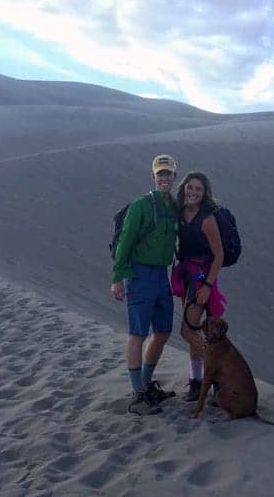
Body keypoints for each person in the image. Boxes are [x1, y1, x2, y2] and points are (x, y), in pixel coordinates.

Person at [111, 154, 179, 415]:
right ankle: (137, 395)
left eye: (168, 173)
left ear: (174, 177)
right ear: (153, 177)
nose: (164, 178)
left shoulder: (173, 207)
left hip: (162, 274)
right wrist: (118, 277)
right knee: (138, 333)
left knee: (162, 332)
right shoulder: (140, 205)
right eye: (160, 173)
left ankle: (147, 384)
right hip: (139, 274)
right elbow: (126, 241)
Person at [171, 171, 228, 402]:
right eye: (190, 187)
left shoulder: (207, 219)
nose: (193, 192)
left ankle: (218, 376)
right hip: (186, 276)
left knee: (187, 331)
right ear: (184, 188)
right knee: (193, 329)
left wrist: (207, 286)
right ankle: (197, 382)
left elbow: (219, 255)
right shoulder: (181, 213)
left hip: (201, 278)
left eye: (198, 189)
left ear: (204, 194)